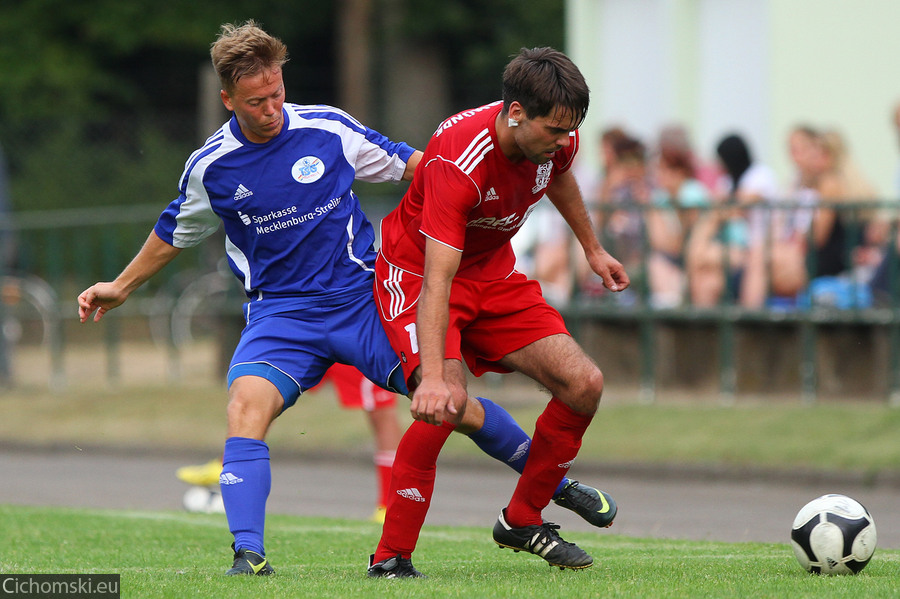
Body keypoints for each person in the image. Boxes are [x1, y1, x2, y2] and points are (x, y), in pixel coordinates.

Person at [77, 22, 616, 577]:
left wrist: (460, 189)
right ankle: (248, 555)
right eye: (256, 102)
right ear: (227, 100)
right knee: (244, 410)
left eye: (278, 94)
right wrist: (121, 285)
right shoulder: (211, 167)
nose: (271, 109)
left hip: (361, 299)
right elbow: (174, 232)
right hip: (279, 315)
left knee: (447, 403)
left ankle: (553, 482)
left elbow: (415, 166)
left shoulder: (328, 129)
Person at [366, 47, 629, 578]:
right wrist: (436, 376)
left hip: (492, 273)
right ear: (515, 114)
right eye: (555, 131)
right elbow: (439, 277)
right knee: (446, 402)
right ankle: (391, 558)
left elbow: (557, 175)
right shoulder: (457, 158)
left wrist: (592, 249)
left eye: (570, 130)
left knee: (585, 383)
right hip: (420, 276)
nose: (564, 141)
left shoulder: (555, 135)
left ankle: (522, 519)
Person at [175, 362, 402, 523]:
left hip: (350, 318)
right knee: (266, 393)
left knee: (380, 412)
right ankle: (227, 463)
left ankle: (387, 506)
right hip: (307, 319)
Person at [685, 133, 777, 307]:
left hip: (756, 248)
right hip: (736, 248)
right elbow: (723, 206)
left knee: (699, 254)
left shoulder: (761, 174)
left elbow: (742, 203)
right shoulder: (727, 181)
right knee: (704, 278)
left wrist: (722, 208)